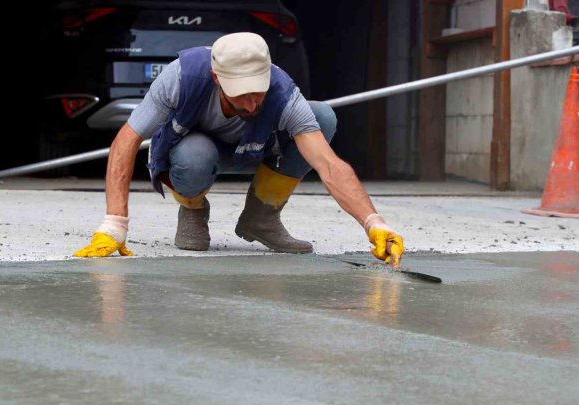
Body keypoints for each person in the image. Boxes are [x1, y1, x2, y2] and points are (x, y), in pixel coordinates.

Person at [74, 32, 404, 267]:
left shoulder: (281, 90)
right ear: (216, 77)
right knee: (195, 155)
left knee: (322, 116)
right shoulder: (182, 77)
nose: (251, 103)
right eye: (240, 94)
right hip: (195, 159)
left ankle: (261, 215)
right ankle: (192, 207)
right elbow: (125, 142)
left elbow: (329, 166)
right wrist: (114, 225)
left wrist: (374, 223)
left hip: (256, 152)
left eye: (257, 92)